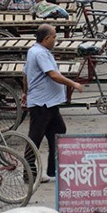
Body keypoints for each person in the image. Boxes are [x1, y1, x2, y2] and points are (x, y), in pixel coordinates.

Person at [23, 24, 84, 182]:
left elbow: (25, 75)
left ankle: (53, 169)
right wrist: (73, 84)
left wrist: (25, 92)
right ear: (46, 39)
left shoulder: (35, 51)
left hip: (48, 103)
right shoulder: (40, 54)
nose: (55, 40)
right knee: (35, 138)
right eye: (54, 37)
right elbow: (53, 75)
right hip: (41, 104)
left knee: (58, 131)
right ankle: (29, 174)